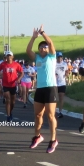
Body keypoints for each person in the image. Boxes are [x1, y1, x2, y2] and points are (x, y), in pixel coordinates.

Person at [26, 25, 59, 153]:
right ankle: (37, 137)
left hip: (51, 88)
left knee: (50, 115)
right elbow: (28, 50)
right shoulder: (38, 58)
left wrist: (43, 33)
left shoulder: (51, 57)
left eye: (45, 47)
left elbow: (50, 42)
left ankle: (53, 140)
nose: (43, 49)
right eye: (41, 47)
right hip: (40, 88)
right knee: (38, 114)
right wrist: (34, 38)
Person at [0, 51, 23, 122]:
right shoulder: (2, 64)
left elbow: (22, 73)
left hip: (13, 84)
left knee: (13, 102)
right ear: (5, 57)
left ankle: (10, 112)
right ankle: (8, 116)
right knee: (8, 100)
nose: (9, 57)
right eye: (7, 56)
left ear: (12, 57)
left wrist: (19, 79)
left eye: (10, 56)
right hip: (5, 85)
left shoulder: (16, 64)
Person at [55, 52, 69, 118]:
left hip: (62, 83)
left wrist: (67, 73)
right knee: (55, 98)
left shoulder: (64, 64)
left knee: (61, 97)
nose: (60, 58)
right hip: (55, 83)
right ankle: (53, 110)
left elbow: (67, 71)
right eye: (58, 57)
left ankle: (60, 112)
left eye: (61, 57)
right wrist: (54, 74)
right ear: (56, 57)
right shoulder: (54, 64)